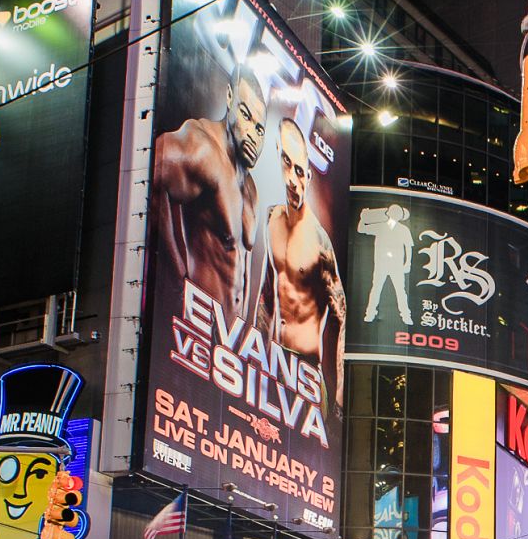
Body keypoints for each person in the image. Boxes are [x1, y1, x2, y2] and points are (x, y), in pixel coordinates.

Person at [153, 66, 269, 315]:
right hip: (199, 324)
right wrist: (178, 276)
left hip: (233, 340)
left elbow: (243, 264)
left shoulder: (251, 188)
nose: (252, 135)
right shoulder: (202, 147)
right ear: (229, 98)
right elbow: (153, 173)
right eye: (245, 115)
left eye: (260, 130)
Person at [253, 117, 348, 410]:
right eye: (286, 163)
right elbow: (268, 294)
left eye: (299, 171)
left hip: (305, 370)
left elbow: (342, 318)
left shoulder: (320, 243)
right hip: (270, 360)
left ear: (307, 174)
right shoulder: (270, 218)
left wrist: (340, 394)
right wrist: (254, 348)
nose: (293, 181)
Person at [357, 203, 413, 326]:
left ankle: (406, 316)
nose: (394, 215)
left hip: (396, 266)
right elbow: (361, 229)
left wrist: (407, 263)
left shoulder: (403, 230)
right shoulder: (380, 227)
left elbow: (409, 247)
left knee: (400, 291)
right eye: (393, 212)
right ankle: (370, 314)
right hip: (381, 265)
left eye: (397, 213)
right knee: (376, 289)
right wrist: (362, 217)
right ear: (388, 213)